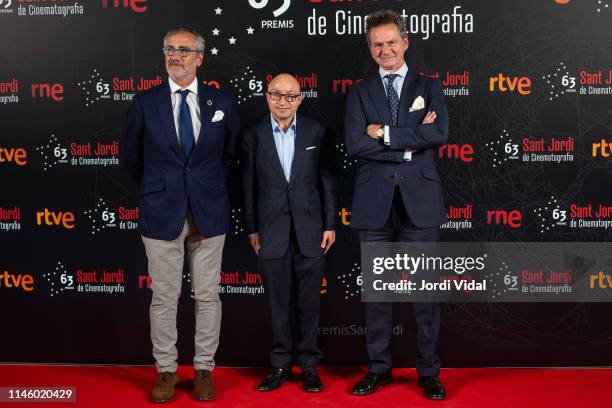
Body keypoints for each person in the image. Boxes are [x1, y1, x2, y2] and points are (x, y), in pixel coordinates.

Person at [124, 25, 240, 403]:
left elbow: (230, 155)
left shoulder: (221, 103)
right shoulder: (145, 103)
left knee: (208, 296)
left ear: (200, 58)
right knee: (164, 297)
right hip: (161, 213)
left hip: (210, 211)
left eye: (184, 50)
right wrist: (160, 189)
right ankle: (167, 371)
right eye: (170, 49)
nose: (176, 56)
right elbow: (132, 160)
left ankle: (204, 369)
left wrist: (205, 187)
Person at [343, 10, 449, 400]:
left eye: (391, 41)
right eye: (377, 44)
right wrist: (408, 146)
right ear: (370, 50)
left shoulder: (430, 85)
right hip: (374, 204)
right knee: (377, 293)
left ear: (405, 42)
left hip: (420, 202)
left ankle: (428, 372)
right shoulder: (359, 91)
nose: (385, 49)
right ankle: (378, 369)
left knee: (425, 294)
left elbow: (438, 133)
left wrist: (383, 133)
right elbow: (356, 144)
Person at [241, 73, 337, 393]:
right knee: (278, 304)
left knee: (309, 304)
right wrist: (252, 228)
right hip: (270, 232)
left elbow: (326, 181)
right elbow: (248, 187)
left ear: (300, 98)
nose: (283, 102)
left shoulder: (316, 131)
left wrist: (329, 224)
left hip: (311, 231)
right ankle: (281, 364)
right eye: (276, 95)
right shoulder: (253, 136)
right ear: (267, 97)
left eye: (290, 96)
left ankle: (309, 365)